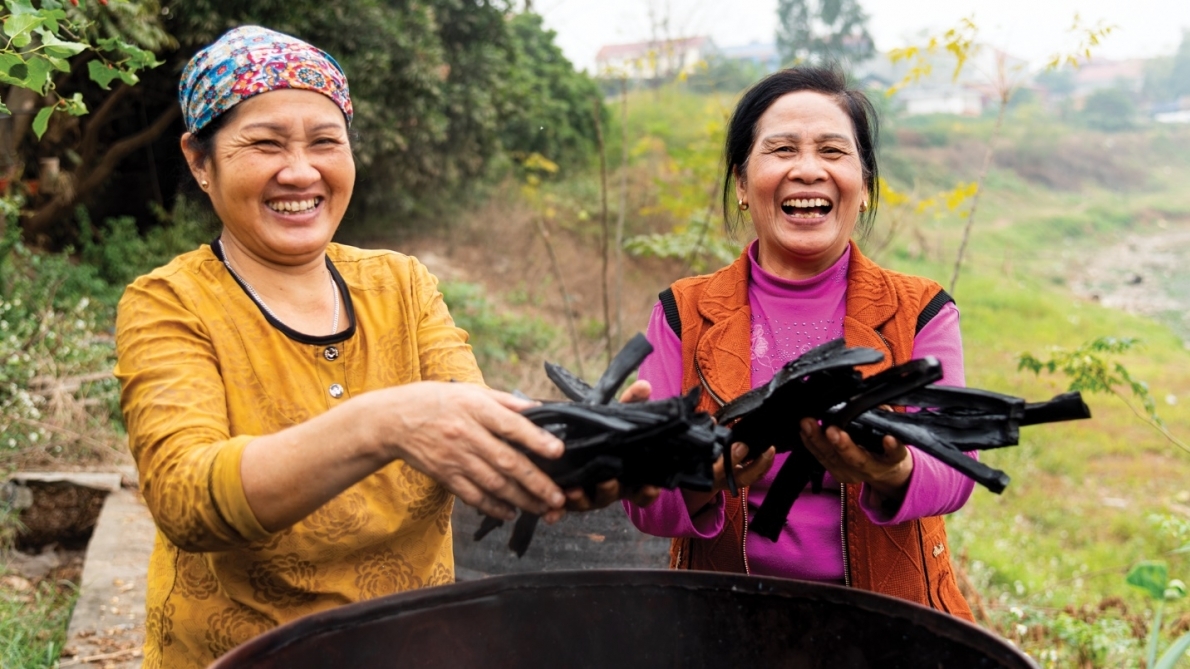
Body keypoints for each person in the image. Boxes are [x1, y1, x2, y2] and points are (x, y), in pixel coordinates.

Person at [115, 26, 648, 668]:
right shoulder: (171, 302)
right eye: (264, 144)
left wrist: (588, 453)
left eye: (324, 141)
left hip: (410, 650)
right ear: (201, 161)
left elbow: (473, 427)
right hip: (242, 656)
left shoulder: (400, 284)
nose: (300, 170)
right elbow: (185, 498)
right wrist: (382, 423)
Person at [623, 66, 974, 620]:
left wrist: (894, 471)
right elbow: (647, 508)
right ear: (742, 183)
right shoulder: (682, 313)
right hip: (719, 629)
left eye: (833, 152)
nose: (808, 170)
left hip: (889, 630)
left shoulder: (921, 311)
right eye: (782, 149)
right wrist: (689, 476)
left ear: (863, 185)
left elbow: (957, 469)